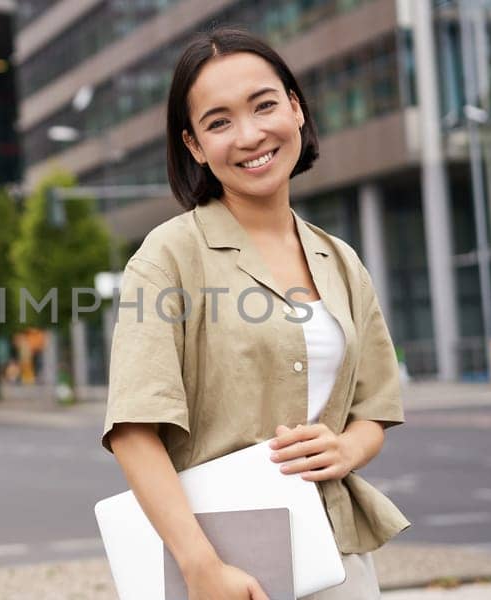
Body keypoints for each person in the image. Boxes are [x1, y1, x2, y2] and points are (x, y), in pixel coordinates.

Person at [102, 28, 409, 600]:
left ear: (295, 108)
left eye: (264, 105)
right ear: (194, 145)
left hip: (336, 555)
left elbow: (374, 411)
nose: (250, 135)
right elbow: (133, 430)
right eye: (218, 122)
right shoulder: (168, 256)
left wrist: (347, 448)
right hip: (221, 564)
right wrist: (201, 568)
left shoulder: (341, 261)